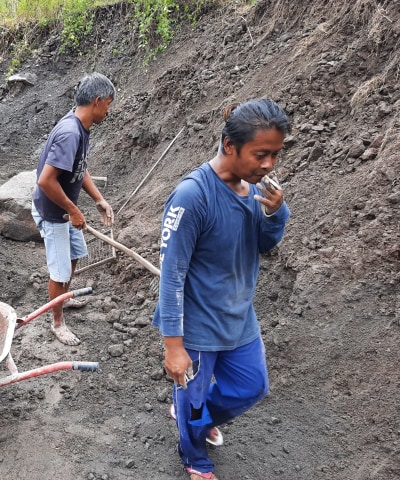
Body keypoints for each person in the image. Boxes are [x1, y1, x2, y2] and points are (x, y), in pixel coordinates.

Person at [152, 98, 291, 480]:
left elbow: (263, 245)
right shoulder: (192, 196)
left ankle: (192, 416)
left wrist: (275, 213)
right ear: (230, 146)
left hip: (237, 315)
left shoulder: (254, 190)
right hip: (196, 325)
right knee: (193, 403)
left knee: (251, 386)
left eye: (275, 155)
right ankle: (194, 456)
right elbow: (172, 275)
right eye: (260, 154)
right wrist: (174, 347)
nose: (268, 165)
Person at [31, 72, 116, 346]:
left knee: (77, 253)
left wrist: (98, 199)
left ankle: (63, 299)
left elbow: (79, 168)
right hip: (54, 212)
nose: (109, 111)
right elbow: (46, 181)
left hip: (65, 210)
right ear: (97, 100)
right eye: (109, 104)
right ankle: (57, 322)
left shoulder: (81, 127)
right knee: (59, 272)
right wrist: (73, 210)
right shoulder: (70, 133)